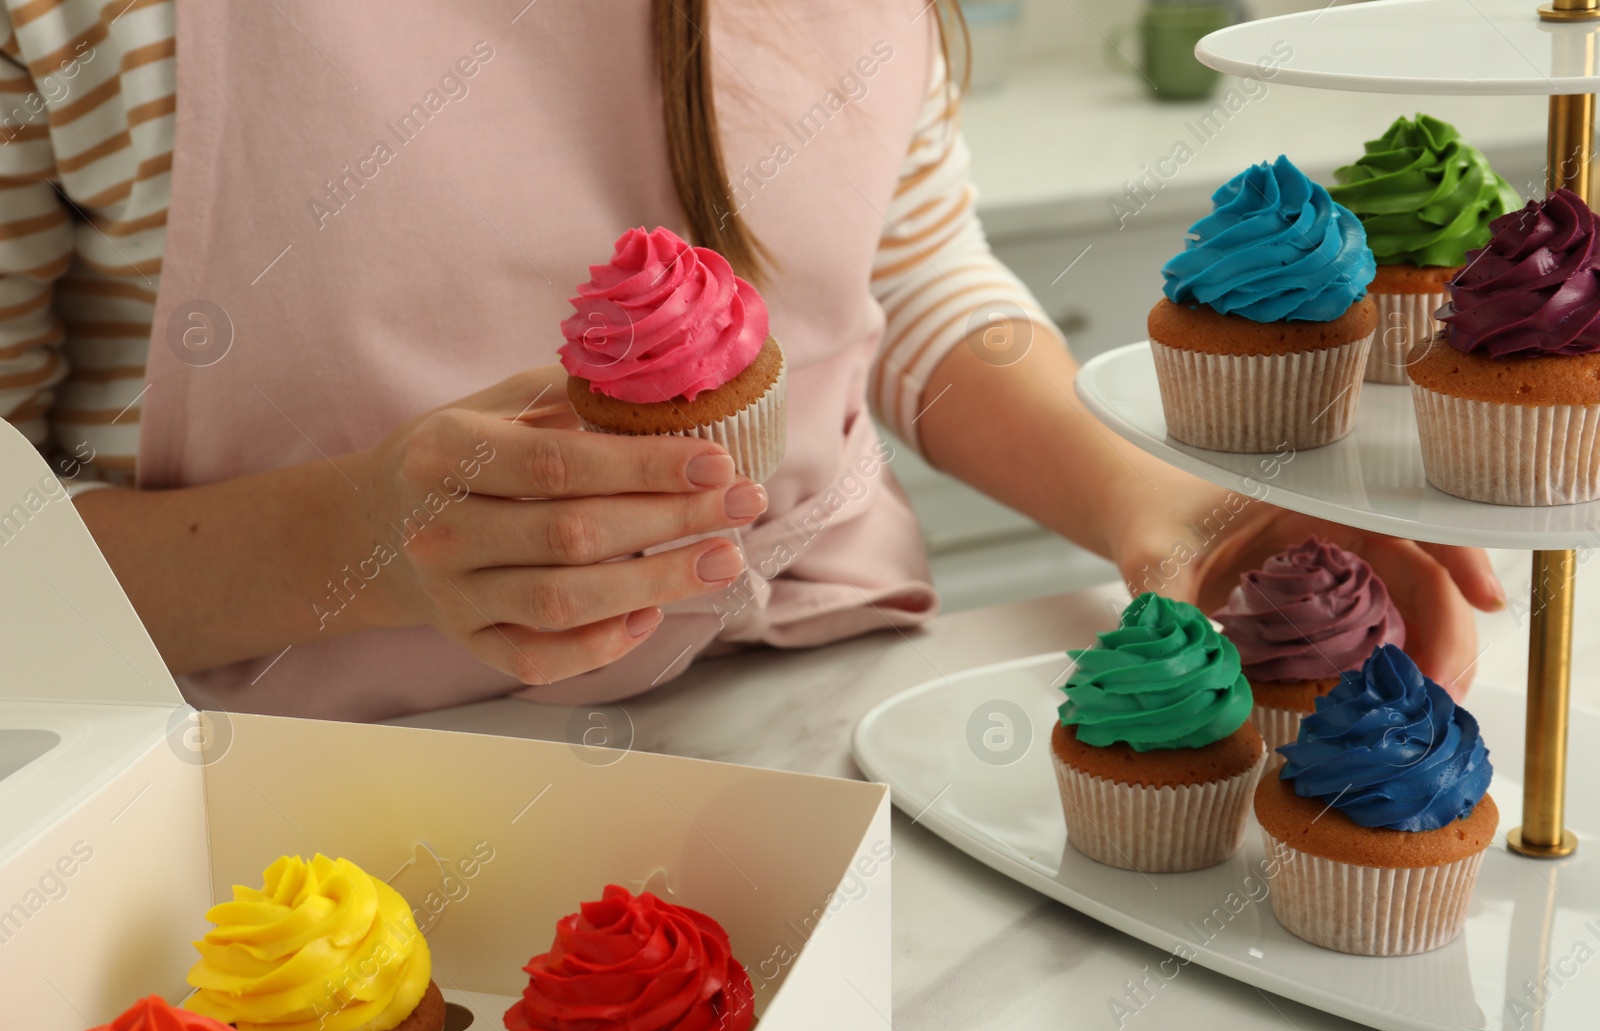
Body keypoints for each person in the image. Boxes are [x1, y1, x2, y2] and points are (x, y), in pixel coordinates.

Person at [0, 0, 1500, 720]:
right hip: (280, 787)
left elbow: (904, 274)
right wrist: (355, 542)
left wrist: (1163, 508)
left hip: (824, 707)